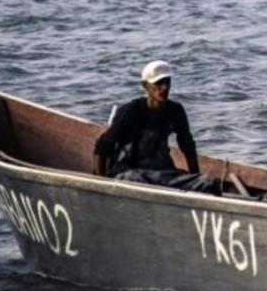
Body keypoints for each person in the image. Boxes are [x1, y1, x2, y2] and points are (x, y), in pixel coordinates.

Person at [93, 60, 218, 193]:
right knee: (135, 178)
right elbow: (102, 147)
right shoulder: (131, 111)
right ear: (146, 86)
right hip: (130, 173)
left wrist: (195, 178)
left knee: (209, 182)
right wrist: (102, 184)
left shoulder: (175, 111)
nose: (164, 88)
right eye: (158, 83)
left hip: (162, 173)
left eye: (167, 82)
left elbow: (187, 146)